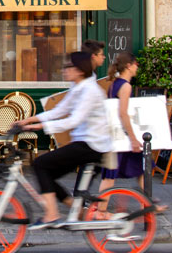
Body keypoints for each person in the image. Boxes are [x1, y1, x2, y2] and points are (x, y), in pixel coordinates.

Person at [15, 52, 112, 230]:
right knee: (47, 173)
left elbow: (73, 120)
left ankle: (52, 214)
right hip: (85, 143)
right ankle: (77, 211)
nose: (64, 70)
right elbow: (58, 110)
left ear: (80, 70)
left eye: (68, 67)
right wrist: (28, 120)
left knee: (41, 164)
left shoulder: (90, 91)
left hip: (92, 145)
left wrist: (40, 127)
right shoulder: (78, 87)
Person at [95, 52, 167, 218]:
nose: (137, 68)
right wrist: (134, 139)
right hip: (121, 138)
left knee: (140, 168)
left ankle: (148, 204)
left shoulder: (114, 83)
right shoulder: (125, 86)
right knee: (112, 174)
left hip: (115, 136)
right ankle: (101, 211)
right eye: (136, 64)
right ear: (129, 65)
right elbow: (123, 114)